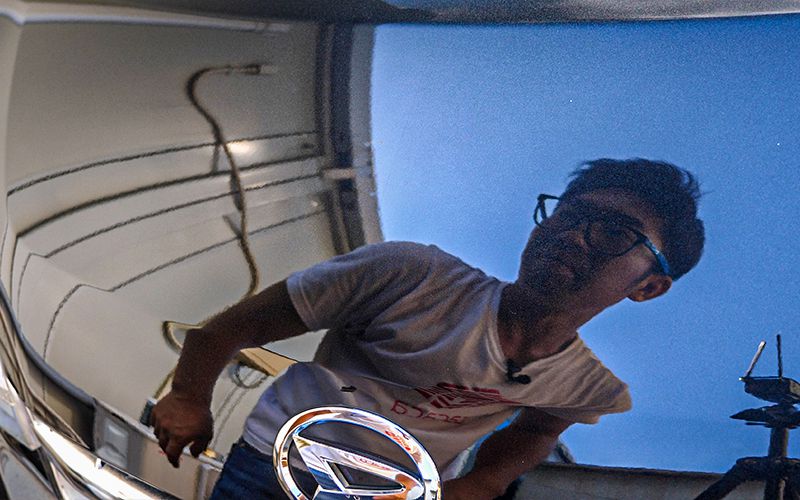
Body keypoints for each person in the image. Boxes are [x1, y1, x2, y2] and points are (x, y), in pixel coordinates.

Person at [150, 158, 705, 499]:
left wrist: (482, 483)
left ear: (649, 286)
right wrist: (189, 395)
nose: (574, 235)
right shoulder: (410, 275)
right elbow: (232, 328)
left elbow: (537, 432)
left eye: (615, 232)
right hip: (273, 466)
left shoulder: (587, 387)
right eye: (570, 215)